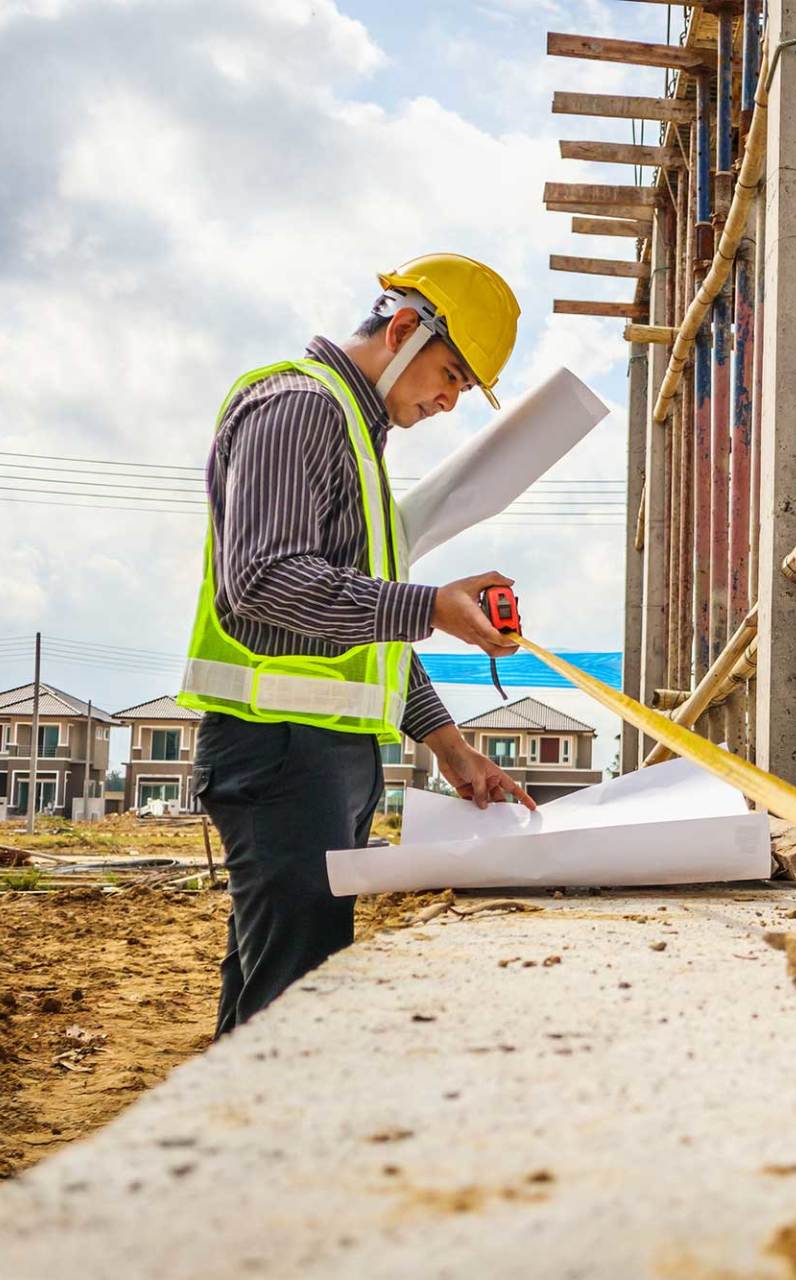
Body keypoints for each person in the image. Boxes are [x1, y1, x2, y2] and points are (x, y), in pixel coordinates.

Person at [180, 253, 538, 1035]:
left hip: (322, 757)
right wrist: (430, 606)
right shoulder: (300, 407)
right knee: (292, 1002)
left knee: (281, 986)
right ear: (403, 330)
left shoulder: (354, 435)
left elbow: (364, 632)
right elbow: (264, 580)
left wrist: (449, 745)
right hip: (278, 755)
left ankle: (243, 1145)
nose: (448, 402)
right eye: (449, 376)